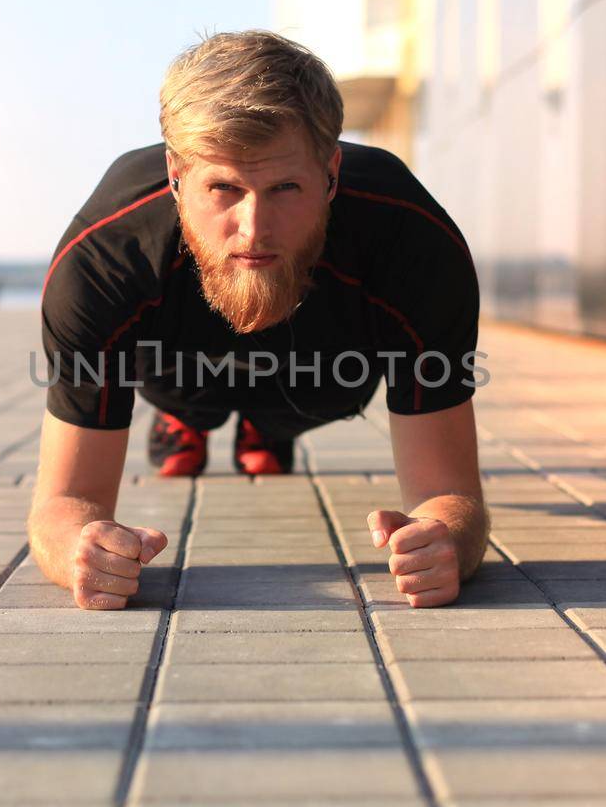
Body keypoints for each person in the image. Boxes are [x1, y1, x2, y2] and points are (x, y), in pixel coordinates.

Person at [28, 30, 489, 610]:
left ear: (331, 171)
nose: (254, 228)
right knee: (179, 389)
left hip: (320, 374)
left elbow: (449, 493)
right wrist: (81, 547)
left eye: (285, 187)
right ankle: (184, 421)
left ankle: (266, 428)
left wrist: (444, 538)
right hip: (176, 368)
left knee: (316, 392)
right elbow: (64, 502)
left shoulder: (415, 243)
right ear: (176, 173)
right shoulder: (103, 258)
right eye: (223, 187)